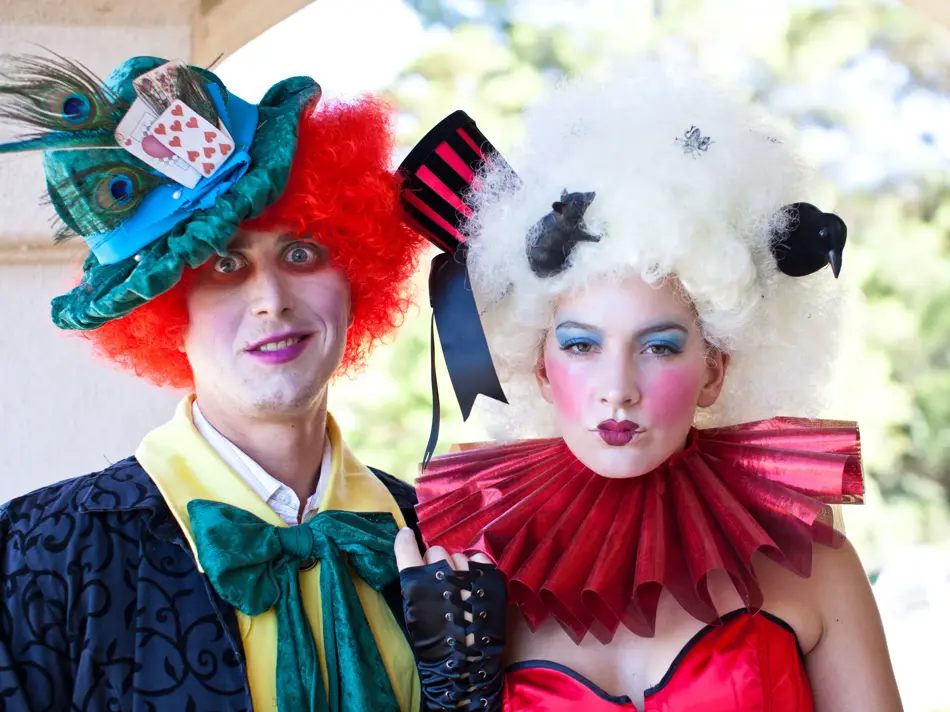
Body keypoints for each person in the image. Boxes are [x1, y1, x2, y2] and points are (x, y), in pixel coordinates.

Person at [393, 63, 903, 711]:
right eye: (581, 345)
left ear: (715, 371)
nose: (618, 389)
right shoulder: (478, 568)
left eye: (659, 346)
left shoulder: (809, 559)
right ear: (541, 367)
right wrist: (457, 697)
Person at [0, 52, 455, 711]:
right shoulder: (37, 556)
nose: (271, 298)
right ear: (165, 307)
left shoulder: (437, 537)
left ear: (356, 278)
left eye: (301, 253)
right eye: (223, 264)